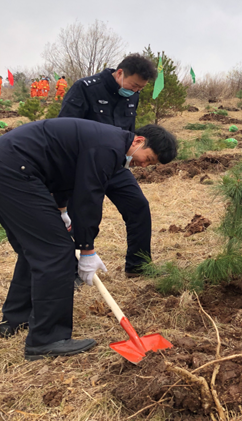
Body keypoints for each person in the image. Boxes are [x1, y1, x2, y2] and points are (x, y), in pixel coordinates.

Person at [0, 118, 177, 360]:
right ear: (139, 140)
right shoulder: (108, 147)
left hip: (12, 167)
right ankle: (47, 339)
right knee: (56, 252)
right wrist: (86, 250)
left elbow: (64, 173)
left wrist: (61, 210)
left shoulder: (107, 142)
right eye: (149, 158)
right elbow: (88, 196)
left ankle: (15, 320)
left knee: (36, 250)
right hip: (16, 171)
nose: (144, 165)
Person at [59, 54, 157, 277]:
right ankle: (73, 272)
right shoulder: (85, 88)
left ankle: (138, 267)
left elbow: (129, 131)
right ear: (120, 73)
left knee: (139, 206)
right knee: (79, 216)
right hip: (83, 167)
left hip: (116, 165)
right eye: (133, 86)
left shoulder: (133, 95)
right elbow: (64, 128)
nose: (134, 92)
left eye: (140, 89)